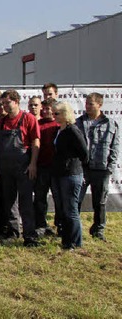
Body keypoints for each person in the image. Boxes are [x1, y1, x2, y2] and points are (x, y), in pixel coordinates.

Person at [0, 90, 41, 247]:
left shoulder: (28, 118)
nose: (4, 106)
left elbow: (36, 142)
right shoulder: (1, 121)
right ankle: (13, 232)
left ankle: (29, 235)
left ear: (16, 102)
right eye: (2, 103)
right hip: (6, 168)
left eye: (7, 102)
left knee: (26, 202)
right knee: (9, 202)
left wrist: (33, 164)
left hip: (23, 167)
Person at [76, 92, 119, 242]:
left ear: (99, 105)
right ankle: (75, 229)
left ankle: (98, 230)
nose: (87, 106)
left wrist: (110, 168)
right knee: (77, 200)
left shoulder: (110, 123)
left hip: (101, 169)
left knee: (99, 202)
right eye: (86, 103)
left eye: (91, 104)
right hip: (82, 168)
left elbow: (115, 147)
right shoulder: (79, 122)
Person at [50, 102, 87, 249]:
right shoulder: (60, 130)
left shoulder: (73, 130)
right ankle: (66, 240)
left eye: (57, 113)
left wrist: (73, 164)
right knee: (63, 209)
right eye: (53, 113)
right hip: (59, 173)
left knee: (71, 209)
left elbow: (84, 152)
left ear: (66, 114)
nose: (54, 116)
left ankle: (75, 242)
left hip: (70, 174)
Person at [33, 98, 60, 236]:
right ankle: (40, 225)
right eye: (43, 108)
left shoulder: (59, 125)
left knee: (59, 198)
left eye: (47, 108)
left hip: (57, 169)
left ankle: (60, 226)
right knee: (40, 198)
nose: (44, 111)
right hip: (41, 167)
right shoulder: (37, 124)